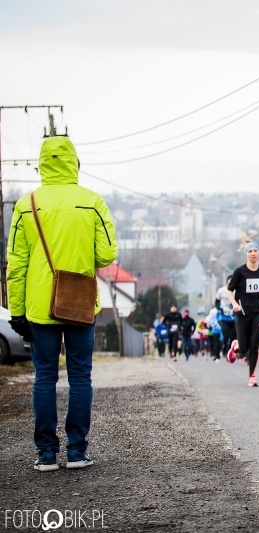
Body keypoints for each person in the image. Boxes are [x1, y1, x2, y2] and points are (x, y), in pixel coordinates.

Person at [7, 135, 117, 471]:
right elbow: (107, 253)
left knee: (44, 377)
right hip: (80, 303)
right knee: (81, 376)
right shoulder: (92, 202)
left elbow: (16, 264)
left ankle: (45, 455)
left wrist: (16, 311)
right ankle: (76, 451)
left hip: (40, 305)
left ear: (42, 164)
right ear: (74, 163)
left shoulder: (26, 204)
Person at [227, 242, 259, 387]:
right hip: (242, 313)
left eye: (255, 250)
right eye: (250, 251)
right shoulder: (240, 272)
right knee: (243, 348)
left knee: (254, 345)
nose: (253, 253)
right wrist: (234, 304)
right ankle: (236, 347)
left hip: (257, 312)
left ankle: (252, 377)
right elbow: (229, 290)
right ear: (246, 254)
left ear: (258, 253)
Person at [215, 276, 237, 357]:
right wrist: (219, 309)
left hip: (233, 316)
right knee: (226, 334)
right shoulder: (221, 291)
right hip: (223, 316)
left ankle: (230, 350)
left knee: (234, 335)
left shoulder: (236, 291)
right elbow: (217, 301)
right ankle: (224, 347)